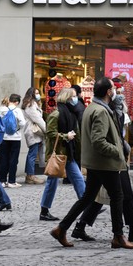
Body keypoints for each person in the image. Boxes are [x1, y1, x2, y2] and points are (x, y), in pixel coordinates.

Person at [49, 77, 133, 249]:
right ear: (108, 92)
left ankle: (61, 228)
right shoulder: (100, 110)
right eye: (113, 88)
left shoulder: (93, 108)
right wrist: (117, 151)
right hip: (104, 163)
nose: (114, 91)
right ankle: (118, 236)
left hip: (95, 162)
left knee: (88, 197)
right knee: (117, 196)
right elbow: (99, 141)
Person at [39, 88, 85, 222]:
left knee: (78, 179)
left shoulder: (72, 113)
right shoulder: (56, 114)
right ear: (67, 98)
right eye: (74, 96)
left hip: (68, 153)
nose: (76, 98)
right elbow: (50, 134)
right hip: (58, 154)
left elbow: (77, 134)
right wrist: (66, 136)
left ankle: (87, 205)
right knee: (52, 182)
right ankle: (44, 210)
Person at [0, 94, 26, 188]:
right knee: (13, 159)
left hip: (2, 138)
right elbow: (22, 123)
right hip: (15, 138)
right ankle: (11, 181)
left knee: (2, 158)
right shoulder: (17, 110)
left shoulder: (1, 110)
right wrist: (17, 129)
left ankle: (1, 180)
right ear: (17, 102)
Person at [21, 87, 46, 184]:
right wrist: (46, 129)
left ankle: (30, 175)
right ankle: (30, 176)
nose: (38, 94)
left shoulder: (32, 104)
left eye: (38, 92)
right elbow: (37, 119)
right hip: (33, 132)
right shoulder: (30, 105)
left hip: (34, 132)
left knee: (32, 154)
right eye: (36, 93)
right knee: (33, 154)